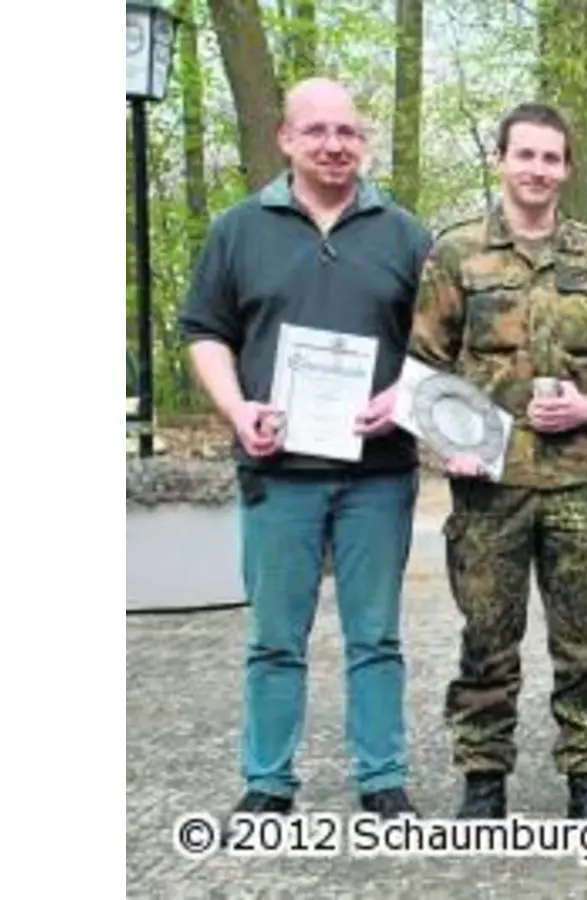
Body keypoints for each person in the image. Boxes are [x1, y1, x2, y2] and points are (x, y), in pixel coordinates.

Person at [178, 77, 432, 819]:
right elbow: (205, 332)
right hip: (275, 471)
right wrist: (236, 407)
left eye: (348, 132)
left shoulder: (406, 234)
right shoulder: (237, 229)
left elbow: (442, 347)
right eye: (317, 131)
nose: (334, 145)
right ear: (285, 139)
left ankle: (383, 777)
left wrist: (404, 399)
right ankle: (267, 780)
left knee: (376, 637)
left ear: (365, 141)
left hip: (378, 475)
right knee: (274, 639)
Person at [376, 103, 587, 820]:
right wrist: (445, 441)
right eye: (527, 156)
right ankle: (484, 779)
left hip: (579, 480)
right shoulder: (457, 254)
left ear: (567, 169)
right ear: (502, 159)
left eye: (552, 158)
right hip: (488, 485)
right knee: (487, 637)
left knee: (586, 638)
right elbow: (423, 363)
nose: (539, 170)